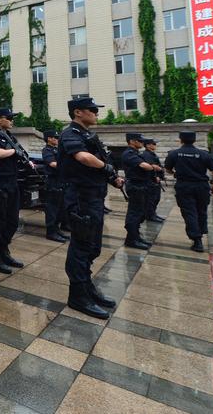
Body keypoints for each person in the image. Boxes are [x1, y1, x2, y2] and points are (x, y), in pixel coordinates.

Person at [58, 97, 125, 319]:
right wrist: (106, 167)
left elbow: (96, 163)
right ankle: (77, 295)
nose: (96, 113)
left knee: (93, 247)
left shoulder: (89, 135)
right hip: (80, 198)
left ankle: (87, 287)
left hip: (94, 198)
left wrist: (112, 177)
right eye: (92, 110)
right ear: (78, 112)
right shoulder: (70, 134)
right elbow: (83, 158)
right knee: (81, 246)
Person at [0, 108, 26, 272]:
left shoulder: (10, 136)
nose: (11, 120)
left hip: (12, 182)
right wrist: (14, 151)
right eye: (8, 118)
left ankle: (4, 251)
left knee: (12, 220)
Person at [164, 131, 213, 253]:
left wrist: (176, 173)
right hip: (202, 187)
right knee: (201, 211)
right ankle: (200, 233)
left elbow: (168, 169)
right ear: (194, 140)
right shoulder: (204, 154)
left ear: (180, 140)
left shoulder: (174, 154)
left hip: (184, 186)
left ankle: (197, 240)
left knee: (189, 212)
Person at [120, 133, 159, 249]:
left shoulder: (135, 153)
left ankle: (134, 236)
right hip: (135, 186)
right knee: (134, 213)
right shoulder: (129, 153)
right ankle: (132, 240)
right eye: (140, 141)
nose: (142, 143)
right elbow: (144, 166)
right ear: (132, 141)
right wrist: (153, 167)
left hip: (141, 185)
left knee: (140, 213)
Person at [41, 130, 69, 242]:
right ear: (49, 139)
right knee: (52, 209)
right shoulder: (47, 150)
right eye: (55, 137)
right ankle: (50, 232)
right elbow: (52, 164)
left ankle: (57, 229)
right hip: (52, 182)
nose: (57, 139)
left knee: (60, 208)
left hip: (60, 181)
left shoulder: (57, 149)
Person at [141, 138, 165, 222]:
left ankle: (152, 214)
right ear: (148, 145)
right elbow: (151, 167)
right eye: (153, 144)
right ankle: (150, 216)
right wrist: (156, 175)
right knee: (151, 199)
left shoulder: (151, 154)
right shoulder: (147, 155)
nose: (155, 145)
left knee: (155, 199)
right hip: (151, 181)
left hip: (154, 181)